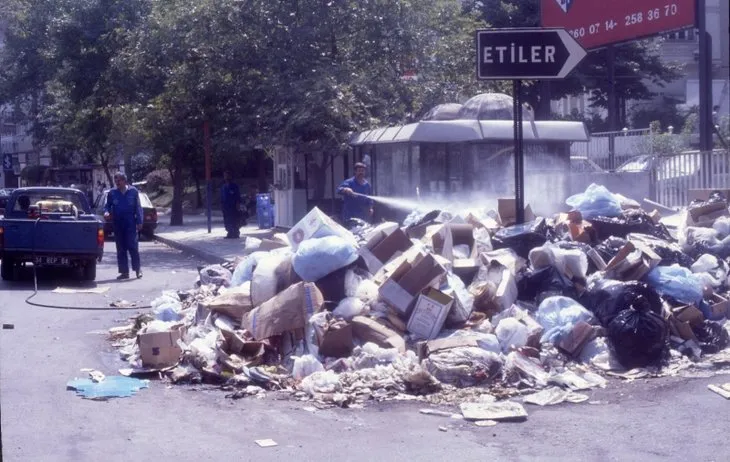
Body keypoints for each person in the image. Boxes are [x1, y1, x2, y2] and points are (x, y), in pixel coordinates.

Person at [104, 172, 143, 280]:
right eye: (116, 181)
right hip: (118, 223)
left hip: (130, 223)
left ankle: (138, 269)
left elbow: (138, 207)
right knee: (121, 249)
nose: (117, 183)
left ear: (124, 181)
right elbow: (107, 206)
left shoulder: (133, 191)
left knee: (133, 247)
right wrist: (106, 212)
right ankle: (124, 272)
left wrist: (140, 221)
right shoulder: (112, 193)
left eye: (119, 180)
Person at [220, 170, 241, 238]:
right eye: (224, 175)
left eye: (226, 175)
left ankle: (235, 233)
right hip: (225, 206)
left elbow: (237, 195)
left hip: (233, 205)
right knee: (227, 220)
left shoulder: (234, 186)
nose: (225, 177)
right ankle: (230, 232)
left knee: (234, 219)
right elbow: (222, 196)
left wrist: (238, 203)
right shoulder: (223, 186)